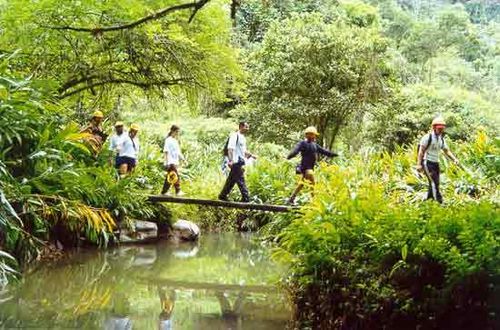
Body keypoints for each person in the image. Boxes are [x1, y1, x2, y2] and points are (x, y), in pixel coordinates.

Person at [286, 126, 338, 205]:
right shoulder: (302, 143)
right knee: (312, 182)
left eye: (314, 135)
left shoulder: (315, 145)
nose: (313, 136)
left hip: (310, 167)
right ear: (307, 135)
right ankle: (314, 202)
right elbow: (295, 150)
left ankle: (291, 199)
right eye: (312, 134)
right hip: (305, 167)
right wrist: (290, 156)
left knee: (302, 184)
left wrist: (334, 154)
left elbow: (325, 152)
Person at [416, 116, 460, 204]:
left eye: (442, 129)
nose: (441, 130)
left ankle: (428, 200)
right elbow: (421, 151)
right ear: (434, 127)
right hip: (427, 162)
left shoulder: (441, 140)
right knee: (433, 182)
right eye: (439, 128)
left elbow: (446, 151)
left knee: (436, 182)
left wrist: (454, 159)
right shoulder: (427, 138)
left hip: (436, 163)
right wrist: (419, 165)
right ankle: (439, 202)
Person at [218, 121, 256, 203]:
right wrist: (231, 160)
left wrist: (251, 155)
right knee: (240, 180)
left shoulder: (243, 138)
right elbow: (230, 148)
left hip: (240, 161)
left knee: (231, 180)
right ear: (241, 127)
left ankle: (222, 195)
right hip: (235, 161)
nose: (247, 129)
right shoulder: (235, 136)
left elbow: (243, 151)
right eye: (246, 127)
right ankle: (246, 198)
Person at [161, 125, 185, 196]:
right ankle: (178, 190)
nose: (177, 133)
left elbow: (178, 152)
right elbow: (166, 151)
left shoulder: (175, 141)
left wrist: (183, 159)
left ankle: (164, 191)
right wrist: (166, 162)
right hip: (170, 161)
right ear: (172, 131)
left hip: (175, 161)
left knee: (170, 176)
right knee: (175, 175)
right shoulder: (168, 140)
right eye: (176, 132)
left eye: (178, 132)